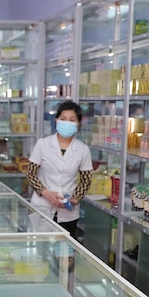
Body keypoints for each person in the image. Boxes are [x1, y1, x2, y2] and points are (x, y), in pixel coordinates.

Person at [26, 100, 93, 238]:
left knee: (64, 253)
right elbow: (31, 173)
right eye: (63, 119)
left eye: (72, 120)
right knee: (41, 252)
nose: (67, 123)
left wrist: (74, 199)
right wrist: (45, 192)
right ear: (56, 120)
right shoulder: (43, 144)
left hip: (68, 212)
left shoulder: (82, 149)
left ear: (78, 123)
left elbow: (86, 179)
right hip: (42, 206)